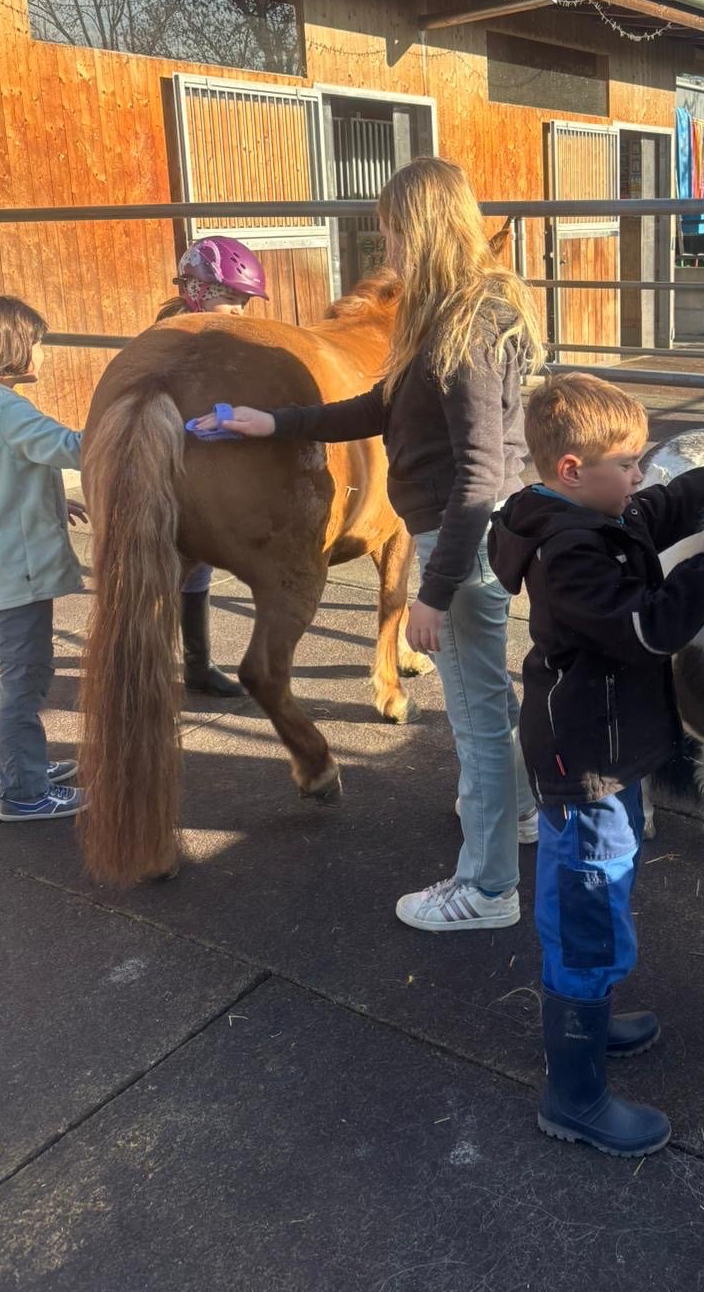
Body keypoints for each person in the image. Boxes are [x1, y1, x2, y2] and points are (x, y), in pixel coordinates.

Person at [190, 157, 544, 928]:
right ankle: (519, 814)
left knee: (476, 716)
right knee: (487, 698)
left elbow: (480, 473)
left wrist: (433, 592)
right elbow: (379, 408)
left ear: (425, 229)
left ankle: (487, 890)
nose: (387, 251)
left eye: (392, 234)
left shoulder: (468, 329)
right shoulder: (444, 315)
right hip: (461, 532)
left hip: (463, 537)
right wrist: (270, 422)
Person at [488, 374, 704, 1158]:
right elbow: (651, 629)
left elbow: (666, 504)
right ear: (574, 470)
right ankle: (574, 1096)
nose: (642, 477)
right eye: (629, 464)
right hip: (585, 766)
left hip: (605, 752)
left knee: (603, 891)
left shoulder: (596, 514)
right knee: (587, 915)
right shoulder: (571, 553)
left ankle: (594, 1021)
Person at [158, 236, 270, 696]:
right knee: (163, 568)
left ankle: (197, 665)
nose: (240, 310)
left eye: (244, 301)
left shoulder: (226, 338)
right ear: (198, 292)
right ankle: (146, 664)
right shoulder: (175, 339)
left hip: (201, 473)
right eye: (230, 299)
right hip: (166, 473)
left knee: (198, 568)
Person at [0, 296, 89, 821]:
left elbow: (8, 473)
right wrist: (140, 420)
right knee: (24, 679)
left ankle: (13, 768)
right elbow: (71, 446)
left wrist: (53, 499)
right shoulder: (6, 407)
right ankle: (25, 793)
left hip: (3, 567)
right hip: (15, 577)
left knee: (6, 678)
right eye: (38, 343)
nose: (43, 354)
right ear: (12, 347)